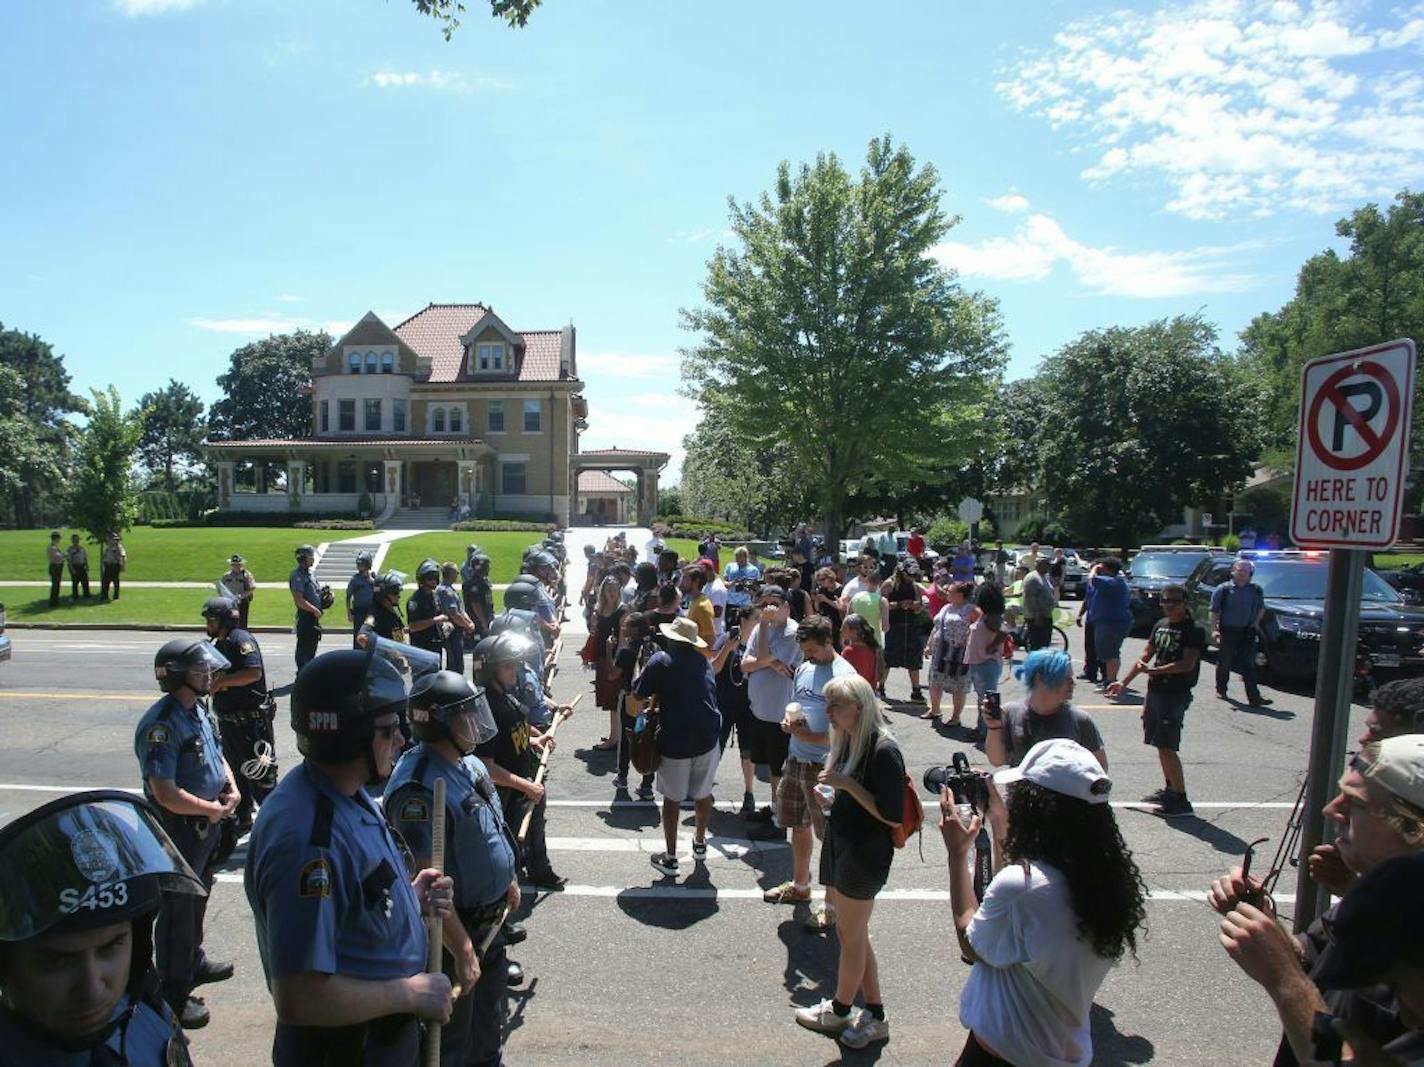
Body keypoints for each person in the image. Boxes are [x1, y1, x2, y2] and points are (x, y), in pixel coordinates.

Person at [245, 647, 456, 1065]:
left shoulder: (344, 790)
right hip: (348, 1049)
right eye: (388, 728)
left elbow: (351, 906)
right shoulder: (309, 840)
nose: (401, 738)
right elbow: (301, 997)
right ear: (349, 736)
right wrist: (410, 992)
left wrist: (409, 901)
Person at [1209, 735, 1424, 1067]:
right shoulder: (1373, 902)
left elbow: (1342, 1057)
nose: (1331, 810)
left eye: (1354, 803)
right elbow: (1315, 963)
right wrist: (1264, 924)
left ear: (1413, 825)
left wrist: (1285, 980)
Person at [942, 738, 1148, 1067]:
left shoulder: (1023, 889)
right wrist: (999, 824)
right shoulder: (1100, 879)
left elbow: (971, 943)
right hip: (1061, 1050)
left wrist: (956, 855)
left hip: (1000, 1054)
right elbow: (1018, 903)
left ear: (1034, 805)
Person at [0, 789, 203, 1064]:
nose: (92, 990)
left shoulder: (142, 1008)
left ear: (139, 940)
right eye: (56, 960)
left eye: (111, 947)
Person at [384, 671, 519, 1067]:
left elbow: (490, 828)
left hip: (490, 926)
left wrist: (506, 878)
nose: (475, 722)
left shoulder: (468, 764)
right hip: (454, 937)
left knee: (487, 1033)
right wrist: (460, 950)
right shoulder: (419, 789)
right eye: (465, 715)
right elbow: (426, 883)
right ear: (440, 723)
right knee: (453, 1045)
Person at [134, 637, 239, 1028]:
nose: (209, 674)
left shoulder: (197, 711)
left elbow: (217, 753)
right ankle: (172, 995)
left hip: (206, 826)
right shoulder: (162, 725)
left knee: (199, 897)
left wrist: (231, 786)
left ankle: (192, 961)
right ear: (178, 676)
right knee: (178, 910)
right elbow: (165, 793)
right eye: (200, 669)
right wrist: (211, 809)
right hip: (181, 828)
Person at [795, 674, 903, 1048]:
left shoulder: (883, 750)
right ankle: (874, 1014)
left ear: (858, 706)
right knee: (854, 935)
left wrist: (846, 786)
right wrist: (835, 797)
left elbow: (893, 816)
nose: (828, 713)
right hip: (846, 846)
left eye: (835, 705)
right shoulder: (851, 742)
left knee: (851, 936)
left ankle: (841, 1011)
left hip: (864, 853)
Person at [763, 614, 854, 908]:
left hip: (826, 767)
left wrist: (809, 736)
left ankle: (831, 906)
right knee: (798, 826)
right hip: (796, 759)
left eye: (812, 650)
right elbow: (798, 707)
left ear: (829, 641)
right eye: (804, 650)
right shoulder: (803, 668)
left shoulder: (844, 675)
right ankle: (801, 886)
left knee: (830, 838)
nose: (807, 656)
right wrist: (789, 725)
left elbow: (847, 730)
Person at [475, 633, 566, 891]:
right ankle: (504, 901)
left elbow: (519, 724)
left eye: (515, 664)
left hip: (525, 785)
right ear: (490, 669)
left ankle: (539, 868)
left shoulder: (506, 696)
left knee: (535, 827)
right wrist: (525, 787)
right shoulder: (487, 709)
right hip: (506, 795)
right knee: (507, 849)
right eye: (508, 665)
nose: (515, 670)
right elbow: (486, 766)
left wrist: (536, 738)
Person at [634, 617, 723, 879]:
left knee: (672, 800)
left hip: (676, 740)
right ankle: (699, 843)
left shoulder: (660, 660)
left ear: (673, 639)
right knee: (703, 794)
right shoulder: (702, 661)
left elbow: (638, 691)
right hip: (707, 737)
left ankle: (671, 858)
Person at [1108, 583, 1203, 818]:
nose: (1168, 606)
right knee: (1158, 743)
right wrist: (1123, 683)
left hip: (1175, 694)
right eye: (1164, 601)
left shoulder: (1194, 629)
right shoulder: (1160, 625)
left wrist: (1154, 672)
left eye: (1174, 601)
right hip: (1156, 693)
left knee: (1167, 745)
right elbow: (1145, 657)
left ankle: (1180, 800)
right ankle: (1170, 788)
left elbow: (1186, 664)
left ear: (1185, 603)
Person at [203, 596, 275, 834]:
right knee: (234, 775)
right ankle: (243, 818)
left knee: (261, 777)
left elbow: (253, 672)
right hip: (230, 724)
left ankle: (278, 823)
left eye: (211, 619)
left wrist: (225, 681)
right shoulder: (219, 643)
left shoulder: (240, 640)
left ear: (224, 620)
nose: (207, 624)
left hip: (251, 724)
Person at [742, 586, 804, 834]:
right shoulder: (760, 629)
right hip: (760, 712)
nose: (768, 608)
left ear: (786, 607)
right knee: (768, 766)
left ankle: (781, 821)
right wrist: (769, 662)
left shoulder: (793, 633)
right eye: (764, 603)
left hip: (781, 714)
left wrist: (766, 659)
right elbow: (746, 665)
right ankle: (775, 806)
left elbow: (763, 657)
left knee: (780, 768)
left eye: (774, 604)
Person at [985, 650, 1107, 772]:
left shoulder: (1080, 719)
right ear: (1039, 678)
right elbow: (997, 761)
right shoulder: (1010, 712)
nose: (1073, 683)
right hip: (1020, 789)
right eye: (1066, 678)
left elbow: (1100, 768)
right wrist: (994, 727)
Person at [1211, 557, 1273, 707]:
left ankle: (1254, 698)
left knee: (1248, 665)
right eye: (1240, 570)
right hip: (1228, 631)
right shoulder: (1223, 589)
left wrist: (1255, 623)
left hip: (1247, 632)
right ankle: (1221, 689)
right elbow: (1214, 611)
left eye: (1246, 571)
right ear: (1233, 572)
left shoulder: (1256, 590)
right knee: (1225, 662)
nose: (1243, 573)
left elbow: (1261, 608)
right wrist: (1214, 630)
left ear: (1251, 573)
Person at [610, 611, 657, 800]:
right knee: (649, 740)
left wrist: (609, 649)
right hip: (651, 701)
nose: (623, 628)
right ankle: (647, 785)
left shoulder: (626, 650)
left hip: (630, 699)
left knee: (626, 738)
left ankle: (622, 777)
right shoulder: (655, 647)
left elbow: (612, 674)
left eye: (627, 625)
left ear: (635, 629)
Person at [926, 581, 977, 727]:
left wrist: (968, 642)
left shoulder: (971, 609)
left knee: (958, 686)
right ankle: (935, 710)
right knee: (935, 681)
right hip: (940, 651)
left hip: (959, 654)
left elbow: (979, 629)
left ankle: (956, 717)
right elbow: (936, 627)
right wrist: (928, 645)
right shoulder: (946, 607)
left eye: (950, 591)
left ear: (960, 595)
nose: (947, 593)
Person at [880, 564, 927, 702]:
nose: (910, 578)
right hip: (894, 626)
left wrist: (914, 605)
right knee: (888, 658)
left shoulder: (914, 586)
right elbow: (882, 603)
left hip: (911, 626)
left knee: (914, 659)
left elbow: (922, 603)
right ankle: (881, 686)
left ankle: (916, 690)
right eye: (908, 575)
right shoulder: (889, 584)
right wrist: (899, 605)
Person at [592, 575, 627, 751]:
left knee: (614, 700)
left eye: (615, 589)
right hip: (602, 657)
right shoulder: (600, 609)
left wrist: (617, 663)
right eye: (609, 589)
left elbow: (622, 641)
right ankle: (615, 734)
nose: (612, 593)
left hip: (613, 658)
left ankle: (614, 739)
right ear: (603, 590)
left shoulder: (622, 611)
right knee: (608, 699)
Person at [1086, 558, 1132, 687]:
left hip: (1112, 623)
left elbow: (1092, 580)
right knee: (1106, 653)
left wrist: (1094, 568)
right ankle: (1109, 679)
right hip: (1106, 622)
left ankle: (1112, 680)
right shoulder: (1110, 582)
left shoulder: (1113, 581)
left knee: (1111, 653)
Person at [406, 559, 449, 663]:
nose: (433, 580)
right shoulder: (415, 600)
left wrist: (446, 624)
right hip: (421, 648)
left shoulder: (435, 597)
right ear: (422, 579)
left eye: (435, 577)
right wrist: (435, 620)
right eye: (430, 578)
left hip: (435, 646)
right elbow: (413, 626)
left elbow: (440, 616)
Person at [437, 562, 476, 675]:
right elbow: (454, 615)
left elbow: (461, 611)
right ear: (450, 574)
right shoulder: (446, 592)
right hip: (452, 632)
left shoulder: (450, 590)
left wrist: (469, 622)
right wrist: (468, 625)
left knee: (457, 661)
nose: (458, 574)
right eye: (456, 572)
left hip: (457, 630)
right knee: (455, 663)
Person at [289, 544, 324, 669]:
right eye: (311, 556)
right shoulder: (297, 576)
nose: (313, 559)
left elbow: (314, 593)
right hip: (306, 617)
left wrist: (324, 597)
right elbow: (299, 600)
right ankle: (302, 673)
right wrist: (314, 609)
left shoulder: (310, 574)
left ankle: (307, 672)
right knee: (305, 648)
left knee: (312, 646)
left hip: (313, 617)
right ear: (303, 558)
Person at [1021, 557, 1056, 652]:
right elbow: (1032, 599)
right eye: (1047, 565)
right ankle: (1036, 665)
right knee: (1037, 645)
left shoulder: (1043, 576)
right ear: (1040, 565)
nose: (1049, 567)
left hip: (1045, 616)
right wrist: (1037, 616)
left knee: (1044, 645)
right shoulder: (1033, 578)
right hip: (1037, 618)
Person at [840, 614, 880, 689]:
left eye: (844, 628)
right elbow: (876, 675)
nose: (841, 630)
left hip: (853, 692)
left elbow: (842, 676)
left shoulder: (849, 651)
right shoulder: (873, 649)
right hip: (868, 691)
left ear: (854, 632)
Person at [682, 564, 717, 650]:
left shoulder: (702, 607)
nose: (682, 582)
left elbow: (711, 638)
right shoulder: (694, 601)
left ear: (696, 581)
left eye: (685, 578)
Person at [218, 552, 257, 629]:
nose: (236, 566)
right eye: (234, 564)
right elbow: (221, 588)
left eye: (238, 564)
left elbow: (252, 587)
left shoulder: (246, 575)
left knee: (242, 623)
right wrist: (223, 597)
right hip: (229, 602)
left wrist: (241, 596)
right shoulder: (226, 576)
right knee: (229, 622)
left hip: (242, 602)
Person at [346, 550, 377, 645]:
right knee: (359, 636)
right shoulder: (355, 580)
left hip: (371, 611)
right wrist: (349, 613)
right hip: (359, 611)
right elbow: (348, 597)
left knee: (371, 636)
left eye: (362, 564)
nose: (359, 566)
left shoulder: (374, 579)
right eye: (358, 564)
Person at [462, 551, 495, 638]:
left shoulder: (484, 582)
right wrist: (484, 624)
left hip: (486, 619)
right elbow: (476, 606)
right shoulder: (473, 585)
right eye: (487, 566)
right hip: (478, 624)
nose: (489, 568)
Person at [812, 565, 844, 648]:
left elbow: (840, 606)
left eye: (823, 579)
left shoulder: (841, 589)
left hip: (837, 622)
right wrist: (817, 601)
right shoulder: (822, 590)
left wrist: (826, 600)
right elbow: (818, 609)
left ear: (830, 577)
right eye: (818, 581)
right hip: (825, 621)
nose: (821, 583)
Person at [723, 546, 762, 615]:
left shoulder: (754, 570)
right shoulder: (730, 566)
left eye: (740, 557)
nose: (737, 559)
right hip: (730, 602)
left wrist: (747, 589)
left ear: (745, 557)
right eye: (736, 556)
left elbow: (757, 589)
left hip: (746, 603)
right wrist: (733, 583)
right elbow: (724, 583)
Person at [370, 573, 407, 642]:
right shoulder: (374, 616)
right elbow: (362, 637)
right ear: (382, 595)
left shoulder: (394, 612)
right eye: (395, 592)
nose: (398, 596)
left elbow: (400, 638)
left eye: (398, 592)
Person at [100, 530, 127, 602]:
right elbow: (105, 556)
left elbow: (123, 556)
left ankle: (116, 596)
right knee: (105, 581)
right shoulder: (107, 547)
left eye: (114, 539)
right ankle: (104, 596)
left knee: (115, 581)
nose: (112, 540)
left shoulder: (118, 547)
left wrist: (123, 566)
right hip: (108, 565)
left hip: (115, 565)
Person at [67, 533, 91, 600]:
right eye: (75, 540)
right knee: (75, 583)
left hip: (82, 566)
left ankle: (86, 595)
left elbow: (85, 558)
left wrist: (87, 566)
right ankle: (75, 596)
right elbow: (69, 560)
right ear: (72, 541)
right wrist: (71, 569)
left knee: (85, 581)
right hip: (75, 566)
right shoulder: (70, 549)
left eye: (77, 540)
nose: (76, 541)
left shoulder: (82, 548)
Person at [46, 530, 65, 607]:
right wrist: (64, 555)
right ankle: (53, 602)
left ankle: (55, 600)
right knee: (55, 585)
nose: (59, 540)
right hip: (55, 567)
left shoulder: (55, 547)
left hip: (57, 566)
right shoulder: (52, 547)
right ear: (56, 538)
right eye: (59, 538)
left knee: (57, 584)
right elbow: (58, 557)